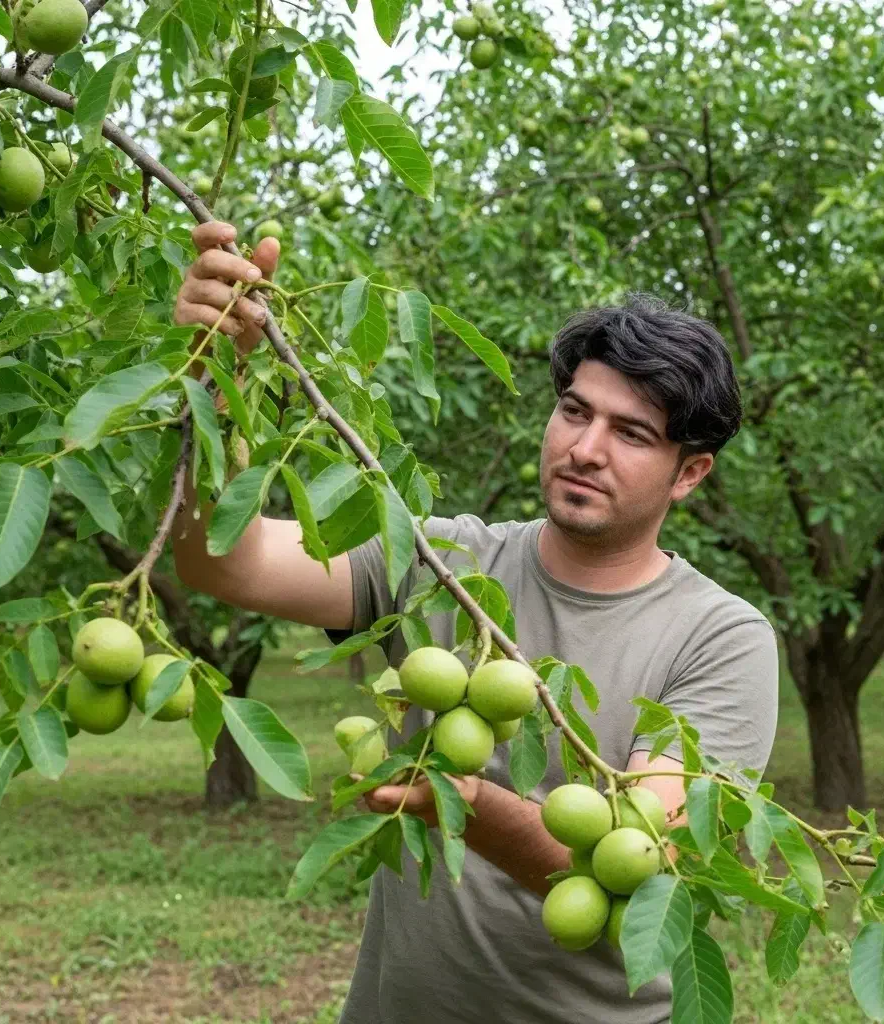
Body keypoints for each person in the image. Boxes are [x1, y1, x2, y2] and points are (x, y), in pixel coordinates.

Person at [172, 221, 780, 1024]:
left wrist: (460, 800)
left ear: (690, 473)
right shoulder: (439, 557)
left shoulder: (723, 638)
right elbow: (223, 562)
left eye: (631, 433)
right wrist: (215, 381)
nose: (585, 449)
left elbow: (633, 865)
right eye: (574, 412)